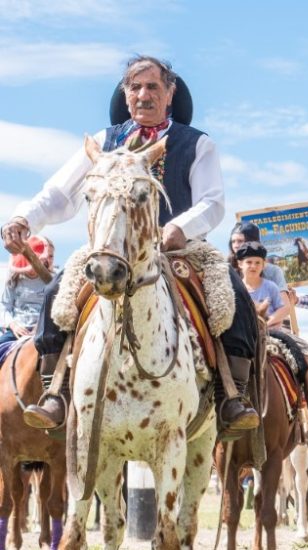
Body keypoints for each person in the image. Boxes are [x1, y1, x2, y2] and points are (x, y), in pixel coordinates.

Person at [3, 55, 259, 432]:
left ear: (170, 94)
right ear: (125, 95)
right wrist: (24, 218)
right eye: (135, 87)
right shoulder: (104, 143)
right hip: (111, 248)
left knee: (232, 293)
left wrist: (179, 228)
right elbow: (59, 193)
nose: (143, 95)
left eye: (153, 86)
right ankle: (54, 390)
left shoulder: (197, 143)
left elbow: (212, 202)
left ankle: (232, 395)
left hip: (180, 249)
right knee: (59, 290)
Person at [237, 242, 308, 451]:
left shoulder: (270, 286)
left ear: (263, 265)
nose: (253, 266)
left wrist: (269, 320)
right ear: (240, 265)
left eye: (257, 262)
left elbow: (284, 307)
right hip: (245, 332)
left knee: (306, 351)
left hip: (273, 330)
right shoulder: (236, 287)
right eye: (249, 262)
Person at [1, 236, 55, 346]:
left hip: (44, 329)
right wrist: (13, 325)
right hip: (18, 329)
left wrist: (41, 325)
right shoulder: (14, 279)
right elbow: (4, 306)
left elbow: (55, 308)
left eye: (51, 256)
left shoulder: (53, 280)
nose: (47, 259)